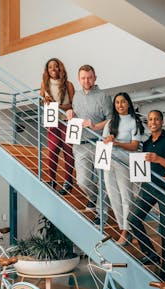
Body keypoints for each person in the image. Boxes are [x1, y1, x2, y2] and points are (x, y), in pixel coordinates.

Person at [128, 110, 165, 282]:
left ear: (162, 122)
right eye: (150, 119)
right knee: (133, 218)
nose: (153, 122)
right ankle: (150, 254)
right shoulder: (147, 142)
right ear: (148, 123)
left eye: (156, 119)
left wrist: (158, 159)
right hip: (148, 186)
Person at [66, 64, 113, 224]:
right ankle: (92, 197)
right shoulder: (76, 96)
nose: (86, 81)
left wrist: (94, 126)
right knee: (82, 181)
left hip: (100, 144)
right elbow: (75, 116)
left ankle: (102, 216)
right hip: (80, 144)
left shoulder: (104, 96)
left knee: (103, 182)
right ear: (79, 79)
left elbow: (110, 120)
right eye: (83, 78)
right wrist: (70, 113)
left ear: (95, 78)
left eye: (89, 77)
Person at [103, 92, 144, 245]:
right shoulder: (110, 123)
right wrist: (109, 140)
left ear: (128, 104)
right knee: (113, 197)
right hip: (109, 162)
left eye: (123, 102)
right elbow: (105, 142)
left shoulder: (134, 122)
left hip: (125, 163)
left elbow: (134, 146)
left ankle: (126, 230)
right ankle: (124, 228)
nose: (120, 105)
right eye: (117, 102)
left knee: (126, 197)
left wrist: (117, 143)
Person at [40, 58, 75, 195]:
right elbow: (41, 102)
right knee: (53, 150)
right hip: (52, 122)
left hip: (66, 121)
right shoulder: (44, 84)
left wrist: (58, 107)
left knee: (68, 151)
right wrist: (45, 101)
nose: (53, 69)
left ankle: (68, 181)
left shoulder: (69, 84)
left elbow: (74, 104)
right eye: (50, 67)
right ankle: (52, 180)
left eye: (56, 66)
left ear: (61, 68)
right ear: (47, 70)